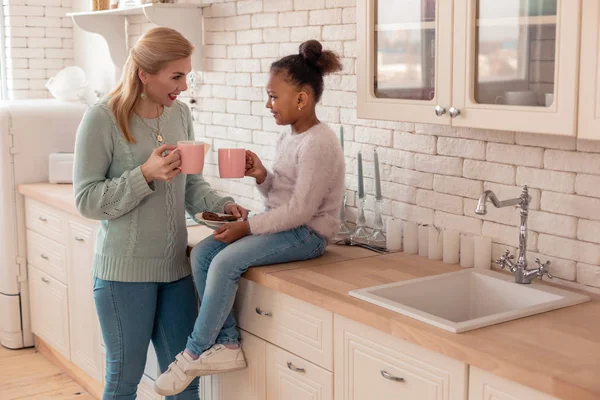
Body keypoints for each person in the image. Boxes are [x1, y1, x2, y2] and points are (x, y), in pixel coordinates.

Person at [154, 39, 345, 396]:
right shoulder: (291, 137)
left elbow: (302, 211)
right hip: (286, 225)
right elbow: (282, 199)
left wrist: (247, 226)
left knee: (224, 262)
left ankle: (193, 353)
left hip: (308, 234)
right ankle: (227, 344)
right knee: (203, 253)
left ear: (301, 99)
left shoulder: (319, 143)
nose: (268, 104)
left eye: (274, 96)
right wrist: (262, 177)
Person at [73, 27, 246, 400]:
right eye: (177, 76)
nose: (184, 86)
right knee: (123, 383)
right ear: (144, 75)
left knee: (185, 383)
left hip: (175, 272)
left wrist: (221, 206)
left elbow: (192, 185)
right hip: (123, 275)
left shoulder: (179, 115)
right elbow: (87, 200)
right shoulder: (102, 118)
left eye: (187, 75)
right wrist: (144, 175)